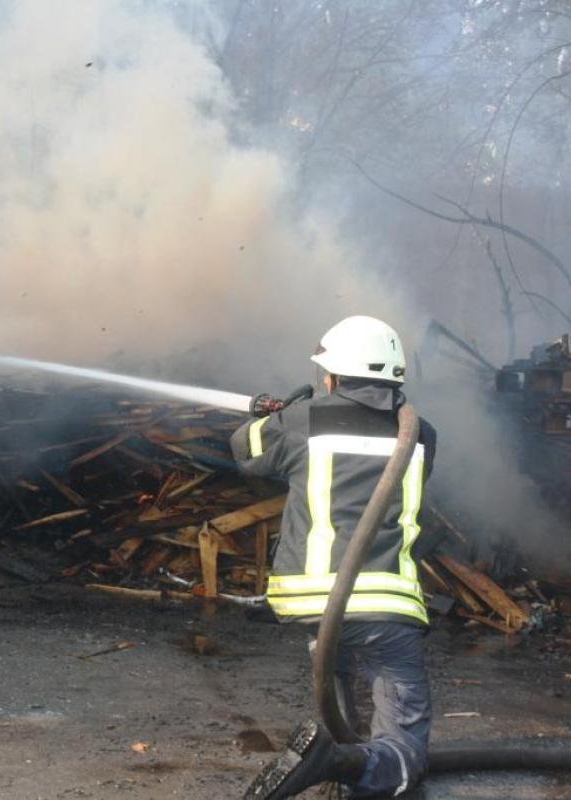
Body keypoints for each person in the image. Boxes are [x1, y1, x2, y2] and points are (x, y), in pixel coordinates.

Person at [230, 316, 437, 799]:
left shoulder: (304, 420)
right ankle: (346, 761)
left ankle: (341, 762)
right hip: (385, 603)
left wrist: (286, 408)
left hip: (310, 598)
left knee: (336, 664)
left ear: (332, 376)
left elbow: (246, 447)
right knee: (406, 751)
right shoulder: (422, 433)